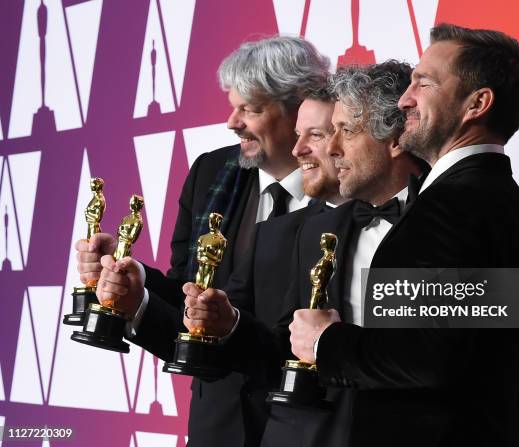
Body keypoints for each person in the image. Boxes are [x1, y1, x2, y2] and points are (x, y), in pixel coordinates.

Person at [290, 24, 519, 446]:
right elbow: (511, 367)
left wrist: (326, 342)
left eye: (424, 84)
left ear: (478, 104)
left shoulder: (453, 206)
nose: (405, 99)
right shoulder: (512, 204)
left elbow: (431, 355)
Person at [75, 36, 329, 447]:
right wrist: (130, 277)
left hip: (311, 426)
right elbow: (187, 294)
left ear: (299, 110)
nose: (233, 122)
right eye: (234, 106)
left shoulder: (349, 185)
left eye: (250, 109)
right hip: (218, 422)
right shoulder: (212, 173)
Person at [189, 60, 425, 447]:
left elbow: (459, 350)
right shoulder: (315, 229)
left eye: (344, 131)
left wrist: (331, 343)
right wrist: (229, 323)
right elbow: (285, 348)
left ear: (395, 140)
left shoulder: (450, 219)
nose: (332, 149)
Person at [180, 85, 347, 445]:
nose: (300, 148)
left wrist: (336, 346)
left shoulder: (422, 218)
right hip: (244, 424)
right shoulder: (277, 233)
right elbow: (259, 341)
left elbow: (450, 346)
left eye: (316, 135)